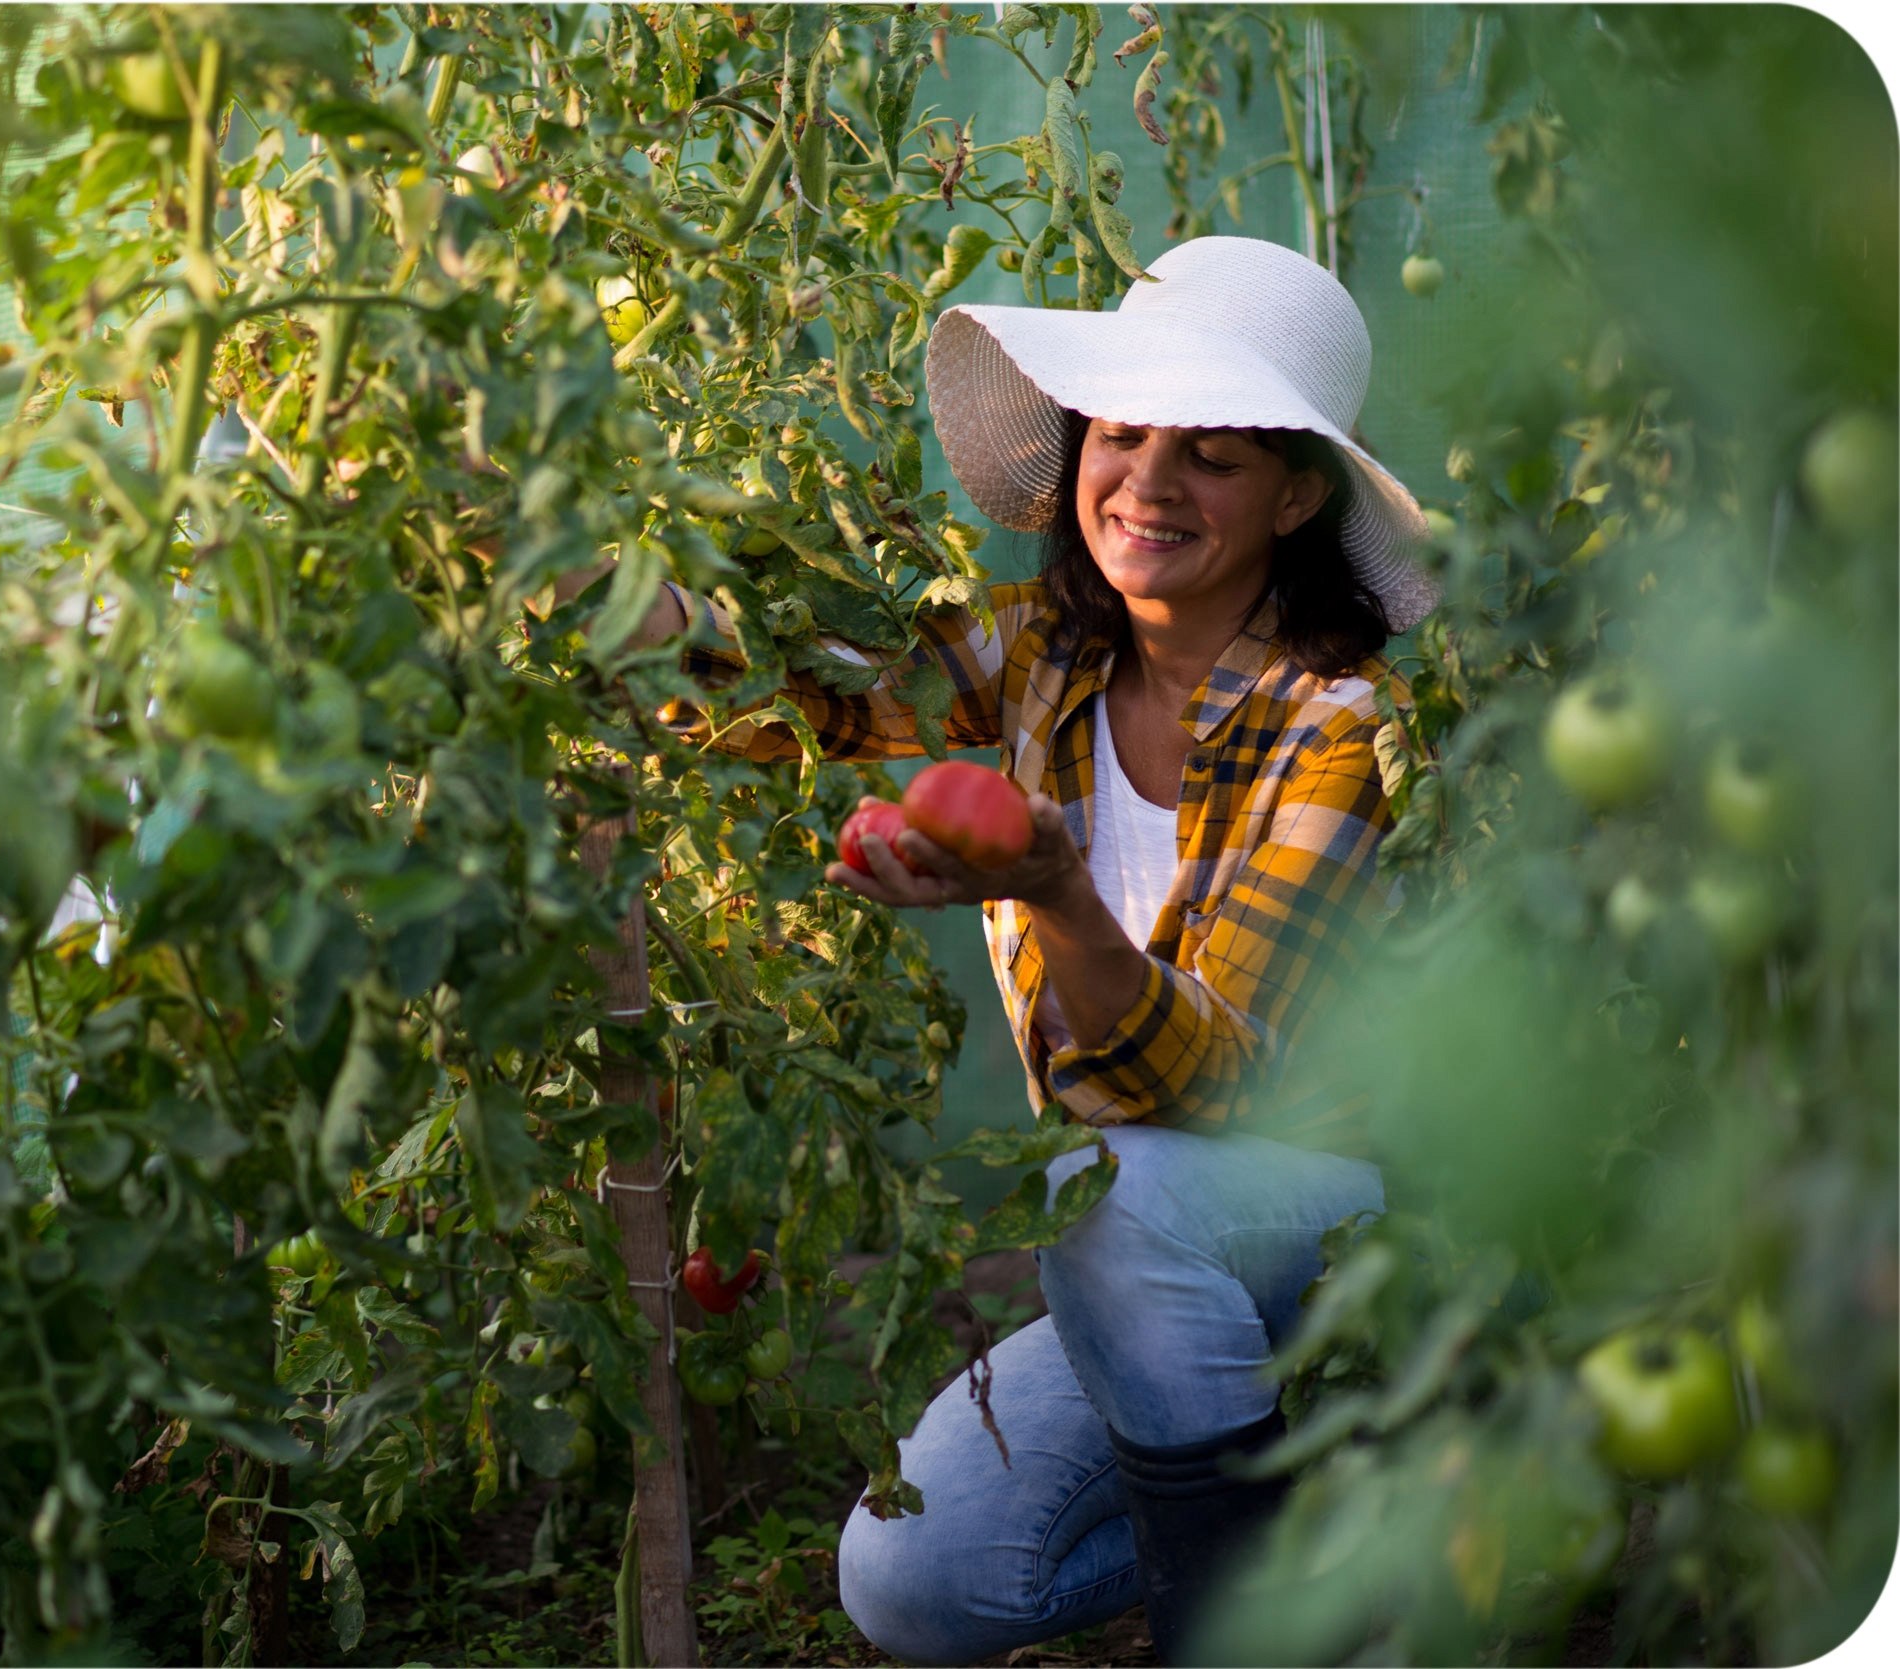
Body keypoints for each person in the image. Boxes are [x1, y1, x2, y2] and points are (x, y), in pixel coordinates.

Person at [535, 235, 1437, 1665]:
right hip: (1137, 1234)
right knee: (920, 1574)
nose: (1146, 482)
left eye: (1210, 454)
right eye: (1123, 433)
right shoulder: (1038, 662)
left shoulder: (1335, 721)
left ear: (1296, 496)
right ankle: (1318, 1526)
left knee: (1111, 1169)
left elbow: (1205, 1084)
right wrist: (563, 564)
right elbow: (794, 696)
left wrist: (1055, 891)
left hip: (1326, 1227)